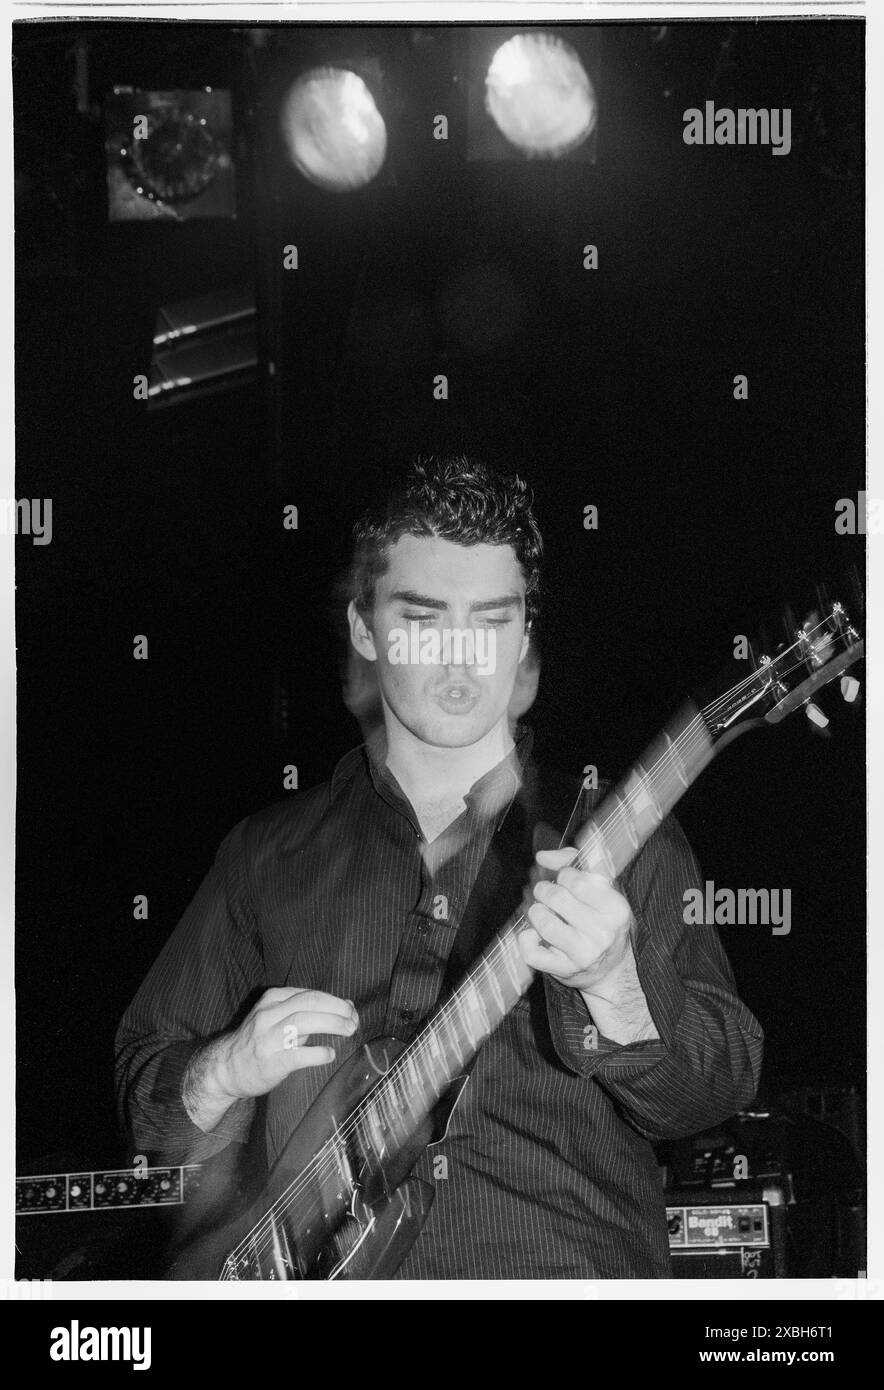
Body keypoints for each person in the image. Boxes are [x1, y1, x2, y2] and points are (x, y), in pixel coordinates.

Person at [115, 455, 763, 1279]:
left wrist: (618, 988)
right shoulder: (262, 856)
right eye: (425, 619)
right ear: (364, 628)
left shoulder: (620, 837)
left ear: (525, 635)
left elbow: (717, 1090)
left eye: (492, 622)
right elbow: (148, 1102)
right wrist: (228, 1068)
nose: (462, 657)